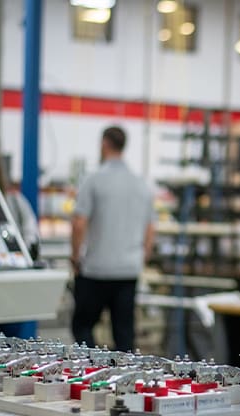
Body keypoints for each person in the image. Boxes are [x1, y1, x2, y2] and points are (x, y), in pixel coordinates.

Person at [70, 126, 155, 352]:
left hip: (96, 270)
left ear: (104, 144)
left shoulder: (93, 179)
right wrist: (141, 258)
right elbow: (150, 228)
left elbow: (79, 223)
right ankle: (123, 383)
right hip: (127, 271)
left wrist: (75, 257)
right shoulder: (141, 184)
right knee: (124, 337)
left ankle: (90, 371)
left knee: (82, 326)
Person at [0, 151, 41, 338]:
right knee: (9, 341)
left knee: (8, 338)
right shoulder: (16, 202)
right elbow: (31, 235)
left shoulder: (14, 203)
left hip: (5, 283)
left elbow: (31, 235)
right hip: (8, 285)